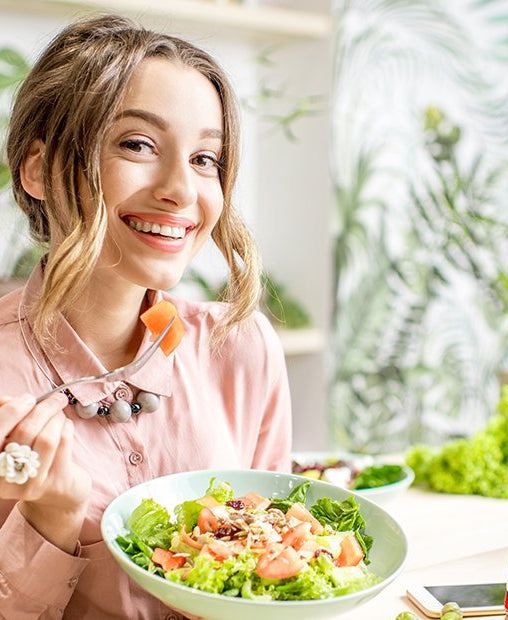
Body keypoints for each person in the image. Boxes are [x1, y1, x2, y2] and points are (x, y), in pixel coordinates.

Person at [0, 14, 292, 619]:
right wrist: (49, 524)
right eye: (138, 144)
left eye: (207, 158)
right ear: (37, 168)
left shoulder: (240, 348)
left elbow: (284, 579)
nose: (182, 191)